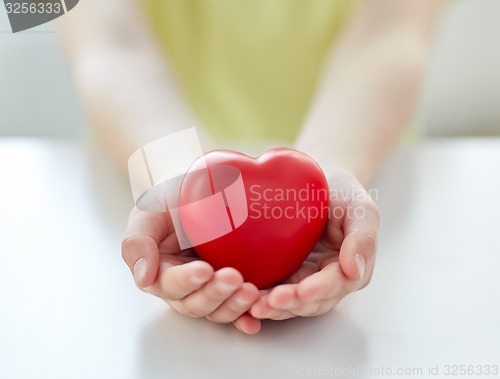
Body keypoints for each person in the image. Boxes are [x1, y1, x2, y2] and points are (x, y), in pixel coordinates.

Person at [58, 0, 443, 334]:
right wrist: (181, 174)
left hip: (368, 148)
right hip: (134, 154)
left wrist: (331, 169)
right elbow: (109, 43)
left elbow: (390, 29)